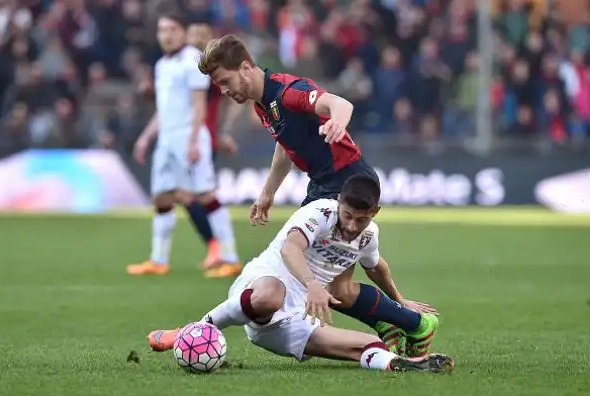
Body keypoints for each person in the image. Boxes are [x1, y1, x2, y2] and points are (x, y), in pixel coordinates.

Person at [196, 34, 436, 355]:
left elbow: (340, 103)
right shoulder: (264, 104)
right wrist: (268, 192)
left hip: (347, 181)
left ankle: (412, 323)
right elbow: (286, 144)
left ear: (244, 67)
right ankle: (396, 321)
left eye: (225, 82)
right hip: (323, 184)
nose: (224, 91)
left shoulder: (288, 93)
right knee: (340, 287)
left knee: (311, 270)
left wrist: (337, 123)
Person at [147, 176, 454, 373]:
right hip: (263, 284)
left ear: (374, 213)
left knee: (369, 345)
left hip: (293, 319)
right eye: (347, 215)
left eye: (360, 219)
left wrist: (399, 301)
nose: (350, 225)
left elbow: (376, 266)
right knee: (271, 294)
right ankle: (197, 327)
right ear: (339, 205)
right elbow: (290, 249)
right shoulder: (319, 212)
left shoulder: (368, 235)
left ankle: (404, 365)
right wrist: (312, 285)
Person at [126, 14, 241, 277]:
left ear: (182, 31)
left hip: (188, 136)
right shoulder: (161, 65)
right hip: (166, 139)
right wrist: (146, 138)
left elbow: (199, 104)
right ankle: (158, 260)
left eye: (171, 29)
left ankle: (231, 258)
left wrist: (193, 141)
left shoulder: (192, 60)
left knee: (206, 195)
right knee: (162, 197)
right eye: (161, 29)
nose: (166, 34)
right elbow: (164, 110)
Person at [185, 21, 248, 278]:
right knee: (185, 196)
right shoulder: (186, 69)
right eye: (192, 34)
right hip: (187, 140)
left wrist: (225, 132)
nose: (194, 39)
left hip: (202, 140)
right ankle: (216, 248)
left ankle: (225, 253)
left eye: (200, 35)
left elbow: (236, 99)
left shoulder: (208, 73)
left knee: (201, 195)